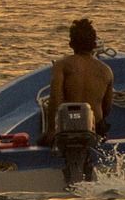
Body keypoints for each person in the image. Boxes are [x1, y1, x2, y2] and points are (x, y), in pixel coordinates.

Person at [43, 17, 114, 150]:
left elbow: (55, 101)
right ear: (94, 44)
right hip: (94, 129)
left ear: (71, 44)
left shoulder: (62, 65)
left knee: (40, 140)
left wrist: (51, 131)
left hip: (66, 128)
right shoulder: (106, 71)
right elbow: (107, 108)